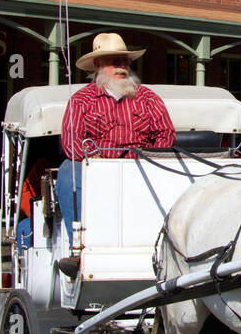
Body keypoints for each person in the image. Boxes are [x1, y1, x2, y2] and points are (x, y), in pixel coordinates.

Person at [56, 33, 176, 254]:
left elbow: (166, 133)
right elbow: (71, 142)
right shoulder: (81, 100)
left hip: (141, 168)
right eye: (114, 62)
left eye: (124, 61)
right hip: (95, 168)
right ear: (98, 65)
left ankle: (170, 242)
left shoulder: (147, 98)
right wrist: (96, 158)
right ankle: (78, 246)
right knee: (67, 172)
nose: (122, 67)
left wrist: (149, 157)